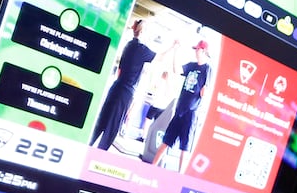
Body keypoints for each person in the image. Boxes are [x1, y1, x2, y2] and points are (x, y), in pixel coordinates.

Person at [88, 18, 157, 151]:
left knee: (102, 120)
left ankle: (89, 145)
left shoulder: (129, 45)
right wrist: (173, 47)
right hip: (126, 91)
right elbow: (158, 58)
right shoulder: (141, 49)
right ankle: (99, 153)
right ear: (142, 32)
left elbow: (120, 70)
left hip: (116, 87)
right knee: (113, 125)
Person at [151, 39, 212, 170]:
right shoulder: (191, 65)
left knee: (185, 146)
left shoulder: (207, 69)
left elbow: (204, 92)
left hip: (191, 112)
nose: (196, 52)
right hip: (180, 109)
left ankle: (180, 174)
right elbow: (177, 69)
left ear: (203, 51)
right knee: (167, 140)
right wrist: (175, 51)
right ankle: (152, 167)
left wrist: (203, 90)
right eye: (195, 49)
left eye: (198, 49)